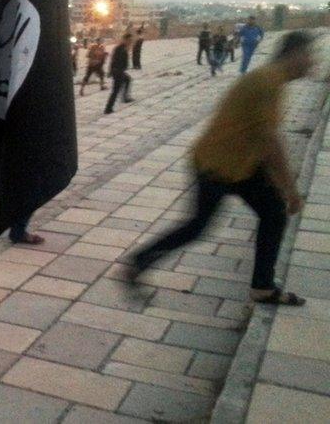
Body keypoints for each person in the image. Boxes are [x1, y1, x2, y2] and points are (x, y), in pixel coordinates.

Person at [128, 31, 317, 307]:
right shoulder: (268, 82)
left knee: (272, 214)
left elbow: (261, 137)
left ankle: (263, 287)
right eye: (310, 56)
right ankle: (139, 260)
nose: (313, 63)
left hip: (238, 164)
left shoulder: (271, 80)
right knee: (198, 226)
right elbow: (270, 141)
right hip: (217, 165)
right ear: (295, 54)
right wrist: (291, 191)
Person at [104, 32, 135, 114]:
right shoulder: (120, 48)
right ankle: (108, 108)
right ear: (125, 40)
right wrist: (110, 71)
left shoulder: (124, 47)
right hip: (118, 71)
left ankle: (125, 97)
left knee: (128, 79)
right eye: (129, 40)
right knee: (115, 91)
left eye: (131, 41)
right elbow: (113, 60)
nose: (130, 42)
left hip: (120, 71)